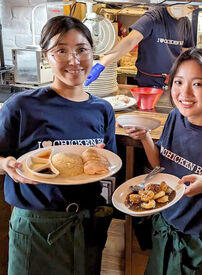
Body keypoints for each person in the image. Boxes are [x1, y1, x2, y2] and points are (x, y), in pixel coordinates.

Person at [0, 16, 116, 275]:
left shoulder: (103, 110)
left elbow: (110, 166)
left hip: (86, 225)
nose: (74, 60)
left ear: (92, 53)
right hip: (36, 225)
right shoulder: (21, 106)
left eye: (81, 50)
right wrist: (6, 164)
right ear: (46, 56)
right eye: (61, 50)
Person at [125, 48, 202, 274]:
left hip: (201, 239)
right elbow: (160, 165)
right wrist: (145, 137)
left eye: (198, 84)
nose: (185, 93)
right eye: (179, 82)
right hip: (167, 226)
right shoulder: (176, 118)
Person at [84, 4, 195, 88]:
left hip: (173, 83)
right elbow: (129, 42)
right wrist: (101, 65)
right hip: (148, 84)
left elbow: (186, 53)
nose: (191, 9)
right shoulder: (153, 17)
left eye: (193, 7)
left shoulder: (185, 22)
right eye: (189, 6)